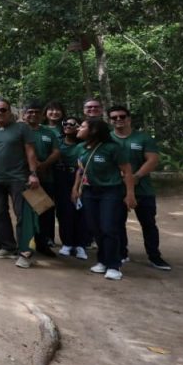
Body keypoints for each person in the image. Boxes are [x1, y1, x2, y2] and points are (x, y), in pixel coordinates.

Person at [109, 105, 171, 270]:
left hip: (143, 189)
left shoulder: (143, 138)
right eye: (114, 118)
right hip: (116, 189)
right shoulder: (107, 139)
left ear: (128, 118)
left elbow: (152, 160)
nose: (118, 120)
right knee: (117, 223)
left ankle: (154, 256)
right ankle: (121, 253)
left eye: (121, 116)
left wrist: (136, 177)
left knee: (148, 223)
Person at [0, 99, 40, 269]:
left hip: (18, 178)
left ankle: (25, 252)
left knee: (22, 215)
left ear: (9, 111)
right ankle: (8, 247)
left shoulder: (22, 128)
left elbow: (30, 151)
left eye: (2, 110)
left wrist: (33, 174)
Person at [74, 118, 136, 281]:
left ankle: (114, 265)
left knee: (109, 227)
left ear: (93, 130)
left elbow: (127, 171)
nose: (78, 128)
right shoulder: (80, 148)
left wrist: (130, 194)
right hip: (89, 192)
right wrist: (76, 189)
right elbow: (81, 170)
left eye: (83, 126)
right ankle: (102, 260)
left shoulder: (112, 148)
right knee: (95, 228)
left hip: (111, 192)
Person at [23, 101, 60, 256]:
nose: (33, 115)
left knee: (43, 212)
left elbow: (56, 151)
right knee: (25, 214)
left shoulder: (48, 132)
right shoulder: (20, 131)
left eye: (37, 112)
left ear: (41, 115)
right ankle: (25, 245)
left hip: (45, 177)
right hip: (24, 177)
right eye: (30, 111)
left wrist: (43, 164)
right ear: (24, 114)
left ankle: (42, 243)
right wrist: (32, 165)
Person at [55, 117, 89, 260]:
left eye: (72, 124)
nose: (68, 126)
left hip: (80, 178)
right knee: (64, 212)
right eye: (65, 123)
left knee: (81, 211)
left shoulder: (83, 145)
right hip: (61, 178)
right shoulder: (58, 142)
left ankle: (81, 245)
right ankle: (67, 243)